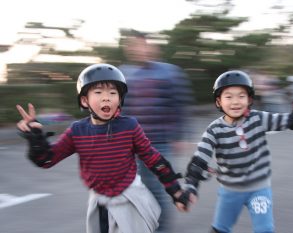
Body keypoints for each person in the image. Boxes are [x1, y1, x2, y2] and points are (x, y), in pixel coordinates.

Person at [15, 63, 187, 233]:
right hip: (100, 204)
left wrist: (176, 191)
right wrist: (35, 137)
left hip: (130, 199)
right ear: (84, 100)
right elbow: (46, 160)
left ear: (120, 99)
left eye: (113, 93)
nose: (106, 97)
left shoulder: (129, 126)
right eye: (98, 92)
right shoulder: (77, 131)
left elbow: (154, 159)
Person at [180, 70, 293, 233]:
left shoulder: (258, 119)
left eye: (241, 96)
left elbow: (292, 121)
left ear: (249, 99)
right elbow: (199, 160)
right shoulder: (214, 129)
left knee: (265, 230)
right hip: (230, 190)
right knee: (220, 229)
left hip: (259, 189)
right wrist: (190, 186)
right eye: (228, 96)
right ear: (218, 101)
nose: (235, 102)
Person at [118, 30, 193, 232]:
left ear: (149, 46)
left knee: (160, 191)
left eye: (139, 44)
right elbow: (120, 108)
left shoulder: (170, 72)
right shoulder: (124, 73)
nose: (136, 49)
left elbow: (180, 105)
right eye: (131, 46)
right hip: (131, 144)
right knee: (135, 191)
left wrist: (180, 137)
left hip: (159, 144)